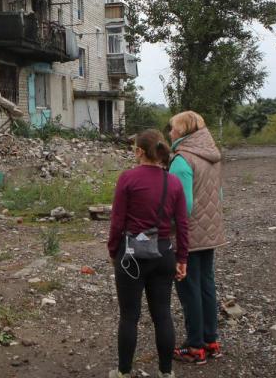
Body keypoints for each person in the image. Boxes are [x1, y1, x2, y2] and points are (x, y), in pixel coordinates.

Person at [107, 129, 189, 378]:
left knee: (129, 316)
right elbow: (182, 223)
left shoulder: (127, 179)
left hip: (131, 253)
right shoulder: (173, 181)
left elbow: (117, 221)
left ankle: (123, 372)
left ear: (140, 151)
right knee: (162, 314)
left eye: (134, 149)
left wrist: (113, 251)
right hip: (163, 253)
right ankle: (166, 373)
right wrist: (182, 257)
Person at [167, 111, 225, 365]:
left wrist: (167, 231)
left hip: (189, 234)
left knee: (189, 289)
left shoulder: (182, 159)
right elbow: (218, 195)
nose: (170, 133)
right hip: (210, 231)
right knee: (206, 286)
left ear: (183, 132)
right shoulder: (212, 156)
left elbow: (183, 204)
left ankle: (194, 346)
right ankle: (211, 341)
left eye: (173, 129)